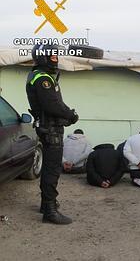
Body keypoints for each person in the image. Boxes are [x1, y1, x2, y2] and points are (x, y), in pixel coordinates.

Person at [26, 44, 79, 225]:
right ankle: (50, 210)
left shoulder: (40, 75)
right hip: (51, 130)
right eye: (52, 56)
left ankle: (46, 204)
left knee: (49, 167)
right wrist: (71, 115)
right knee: (52, 169)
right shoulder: (43, 78)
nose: (55, 59)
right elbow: (52, 105)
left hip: (48, 128)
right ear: (42, 57)